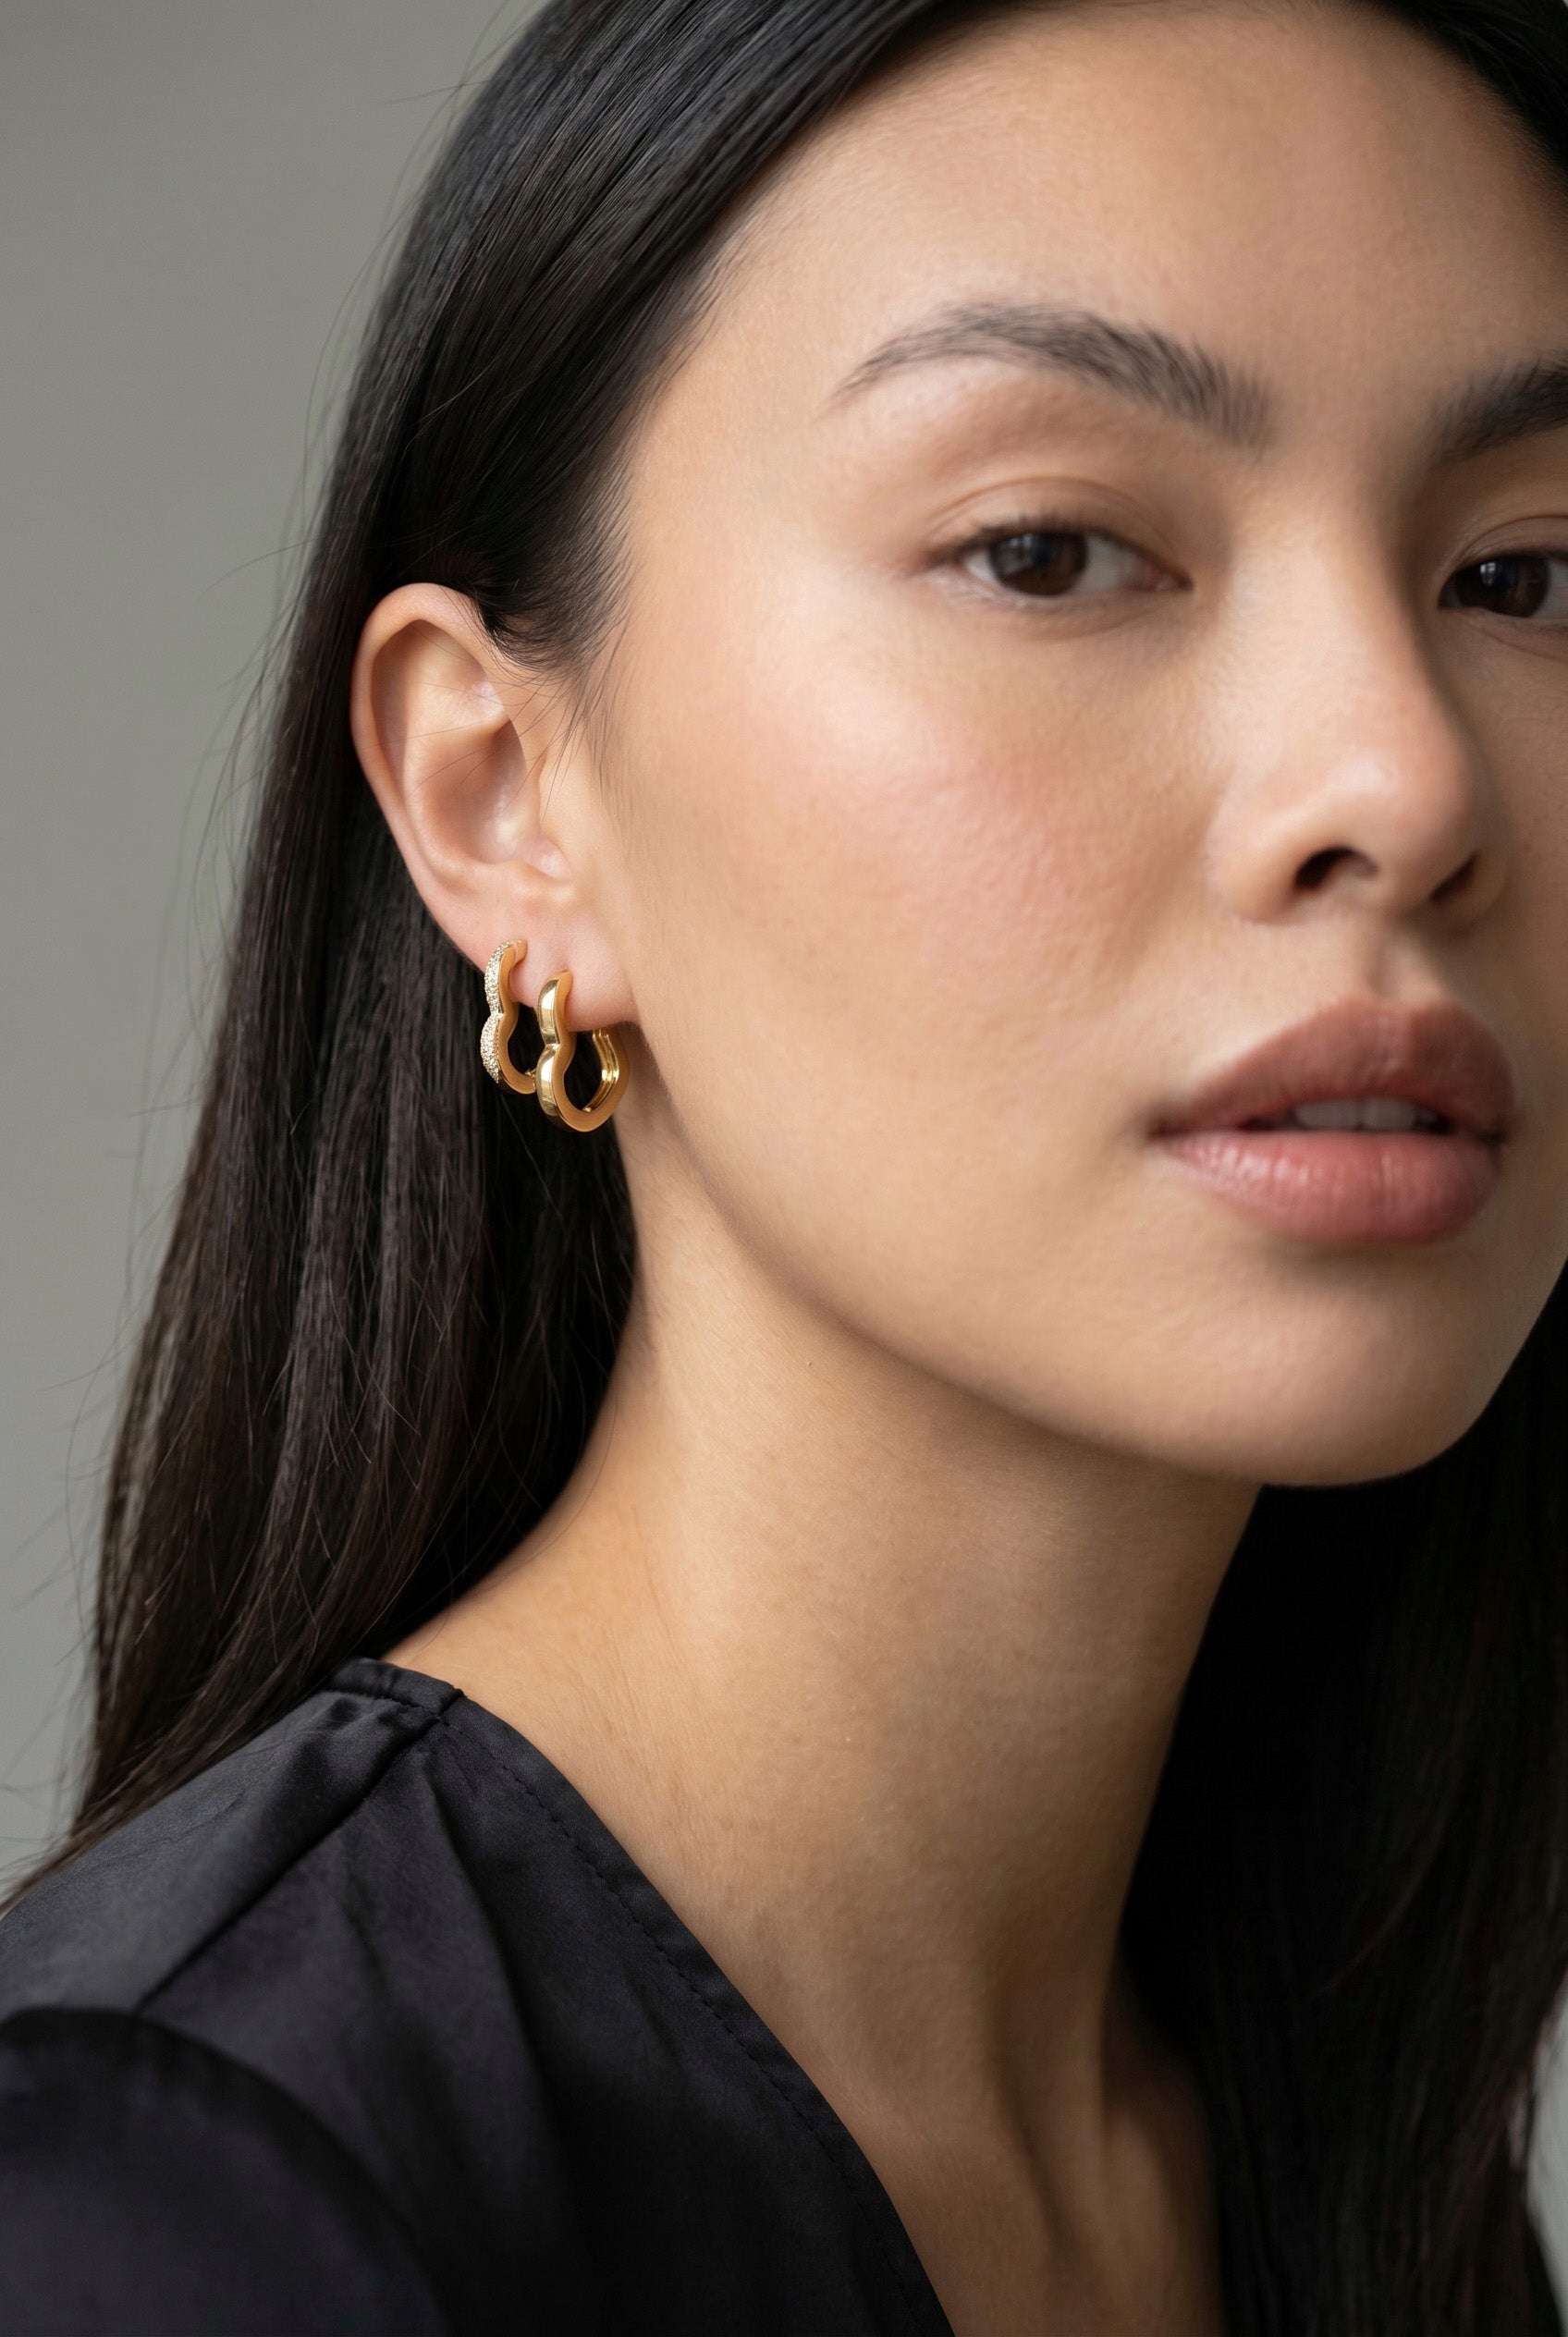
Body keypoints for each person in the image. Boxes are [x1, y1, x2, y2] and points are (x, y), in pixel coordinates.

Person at [5, 0, 1568, 2327]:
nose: (1403, 781)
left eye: (1524, 579)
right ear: (502, 800)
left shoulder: (1328, 2140)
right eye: (1046, 550)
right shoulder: (163, 2205)